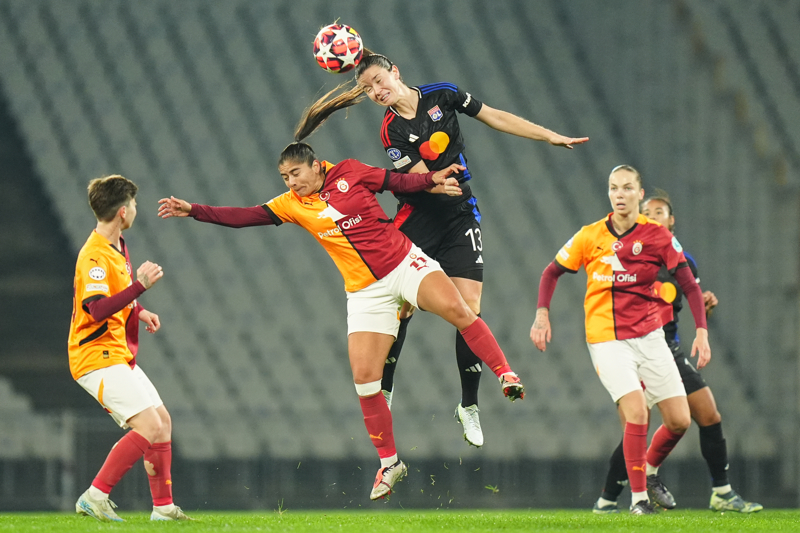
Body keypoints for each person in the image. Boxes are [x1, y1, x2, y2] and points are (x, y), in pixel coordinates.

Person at [158, 141, 525, 500]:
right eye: (285, 177)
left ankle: (505, 374)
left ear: (316, 166)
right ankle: (390, 464)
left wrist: (432, 178)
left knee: (460, 310)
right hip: (365, 292)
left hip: (403, 264)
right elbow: (245, 216)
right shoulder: (291, 204)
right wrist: (194, 210)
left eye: (296, 173)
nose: (291, 182)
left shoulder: (350, 171)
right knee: (365, 381)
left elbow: (396, 181)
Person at [296, 50, 588, 447]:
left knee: (468, 309)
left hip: (459, 215)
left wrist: (547, 135)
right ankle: (385, 389)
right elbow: (421, 178)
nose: (376, 91)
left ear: (395, 72)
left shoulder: (443, 94)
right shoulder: (391, 131)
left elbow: (494, 116)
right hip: (418, 217)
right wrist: (439, 181)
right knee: (402, 307)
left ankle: (468, 405)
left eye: (379, 81)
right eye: (366, 89)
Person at [530, 165, 711, 515]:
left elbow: (688, 283)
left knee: (679, 420)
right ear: (609, 193)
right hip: (607, 339)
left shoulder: (657, 235)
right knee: (637, 412)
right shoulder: (589, 235)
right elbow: (551, 272)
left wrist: (701, 330)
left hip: (650, 335)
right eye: (614, 188)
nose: (619, 194)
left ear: (639, 195)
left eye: (627, 188)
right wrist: (541, 314)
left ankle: (649, 471)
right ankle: (639, 499)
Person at [591, 190, 762, 514]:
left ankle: (721, 492)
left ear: (671, 221)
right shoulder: (629, 255)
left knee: (707, 415)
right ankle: (608, 500)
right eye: (648, 211)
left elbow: (682, 299)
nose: (653, 215)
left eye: (660, 211)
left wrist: (703, 307)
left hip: (667, 348)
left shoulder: (682, 260)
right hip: (632, 348)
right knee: (635, 427)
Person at [68, 175, 190, 522]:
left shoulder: (117, 246)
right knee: (148, 425)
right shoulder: (94, 256)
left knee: (162, 422)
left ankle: (163, 509)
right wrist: (140, 287)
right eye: (133, 204)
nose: (135, 209)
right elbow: (96, 308)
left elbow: (116, 296)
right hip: (94, 357)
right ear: (123, 211)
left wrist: (139, 310)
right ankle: (95, 496)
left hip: (115, 352)